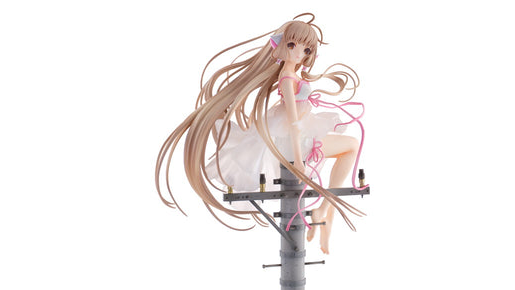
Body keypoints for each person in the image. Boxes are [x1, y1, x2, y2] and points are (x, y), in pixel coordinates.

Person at [155, 13, 366, 254]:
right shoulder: (287, 77)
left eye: (306, 49)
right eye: (293, 45)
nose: (299, 53)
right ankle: (325, 211)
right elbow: (293, 122)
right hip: (296, 140)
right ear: (282, 45)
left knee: (351, 147)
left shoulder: (294, 74)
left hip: (301, 133)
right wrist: (298, 160)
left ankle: (325, 212)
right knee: (351, 145)